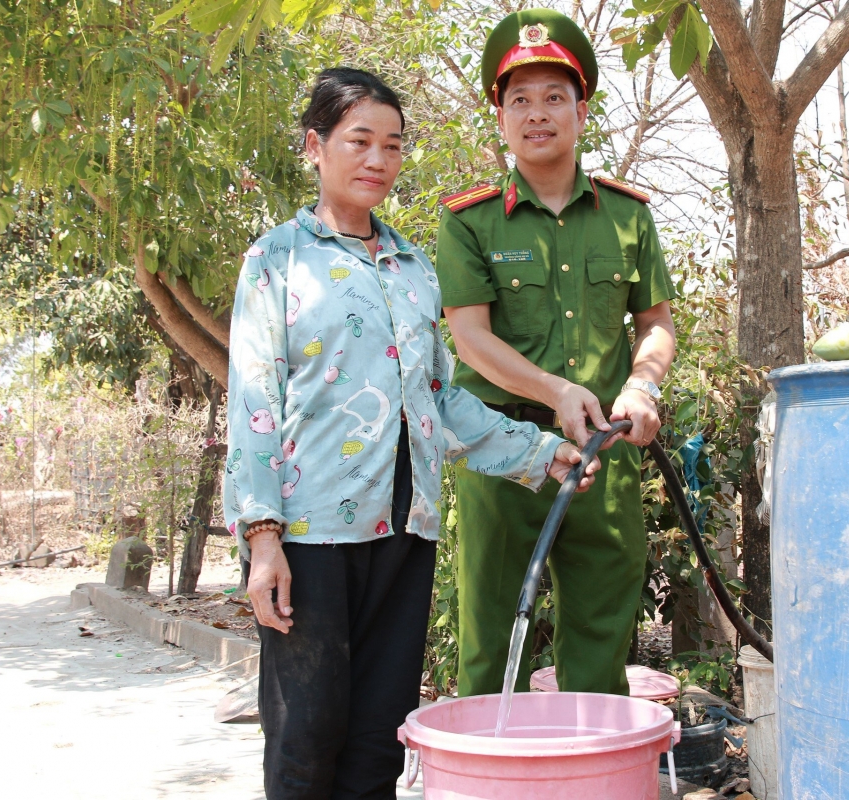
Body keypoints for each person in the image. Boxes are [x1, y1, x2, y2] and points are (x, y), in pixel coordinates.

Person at [224, 67, 598, 800]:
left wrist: (539, 451)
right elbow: (253, 402)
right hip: (311, 536)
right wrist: (262, 536)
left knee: (375, 744)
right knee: (305, 737)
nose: (377, 161)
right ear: (315, 145)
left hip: (405, 531)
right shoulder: (276, 260)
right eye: (359, 141)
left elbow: (435, 403)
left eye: (392, 146)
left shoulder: (413, 268)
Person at [434, 9, 678, 698]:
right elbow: (470, 338)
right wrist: (555, 393)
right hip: (502, 452)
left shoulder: (628, 215)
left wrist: (643, 387)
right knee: (489, 643)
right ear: (500, 115)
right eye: (519, 100)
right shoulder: (470, 221)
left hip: (605, 451)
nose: (536, 114)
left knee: (601, 642)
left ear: (581, 109)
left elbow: (655, 324)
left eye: (553, 98)